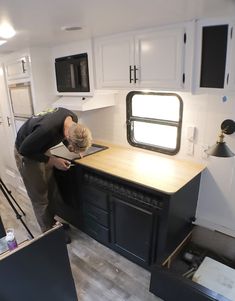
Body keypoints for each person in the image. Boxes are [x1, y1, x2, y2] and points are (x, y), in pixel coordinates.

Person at [14, 107, 92, 243]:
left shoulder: (72, 118)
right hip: (26, 153)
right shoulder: (46, 130)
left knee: (51, 189)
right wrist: (52, 160)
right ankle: (49, 236)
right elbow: (24, 150)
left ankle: (51, 223)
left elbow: (63, 135)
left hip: (40, 148)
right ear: (68, 135)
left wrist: (70, 147)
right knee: (40, 197)